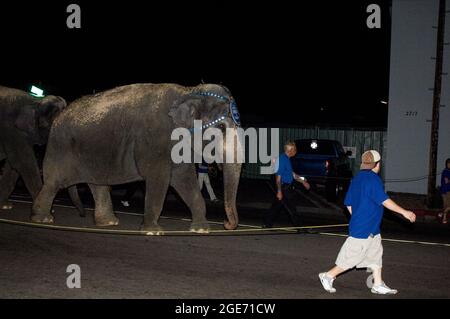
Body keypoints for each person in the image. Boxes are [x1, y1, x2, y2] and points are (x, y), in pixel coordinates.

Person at [318, 150, 416, 295]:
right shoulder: (373, 180)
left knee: (375, 255)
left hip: (371, 229)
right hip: (363, 230)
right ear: (377, 165)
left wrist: (358, 216)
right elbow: (384, 201)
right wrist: (405, 212)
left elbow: (349, 204)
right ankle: (328, 276)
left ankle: (377, 284)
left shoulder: (357, 179)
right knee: (352, 258)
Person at [263, 141, 310, 228]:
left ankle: (267, 223)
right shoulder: (282, 159)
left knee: (276, 206)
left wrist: (303, 181)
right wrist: (279, 191)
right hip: (284, 187)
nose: (296, 151)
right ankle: (299, 227)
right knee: (291, 208)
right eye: (295, 149)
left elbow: (292, 174)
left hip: (285, 187)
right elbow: (278, 177)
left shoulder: (286, 159)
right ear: (290, 150)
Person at [439, 158, 450, 224]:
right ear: (446, 164)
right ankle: (442, 215)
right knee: (448, 206)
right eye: (448, 163)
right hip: (446, 191)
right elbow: (446, 181)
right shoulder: (445, 171)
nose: (449, 165)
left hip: (447, 190)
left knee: (446, 206)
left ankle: (443, 217)